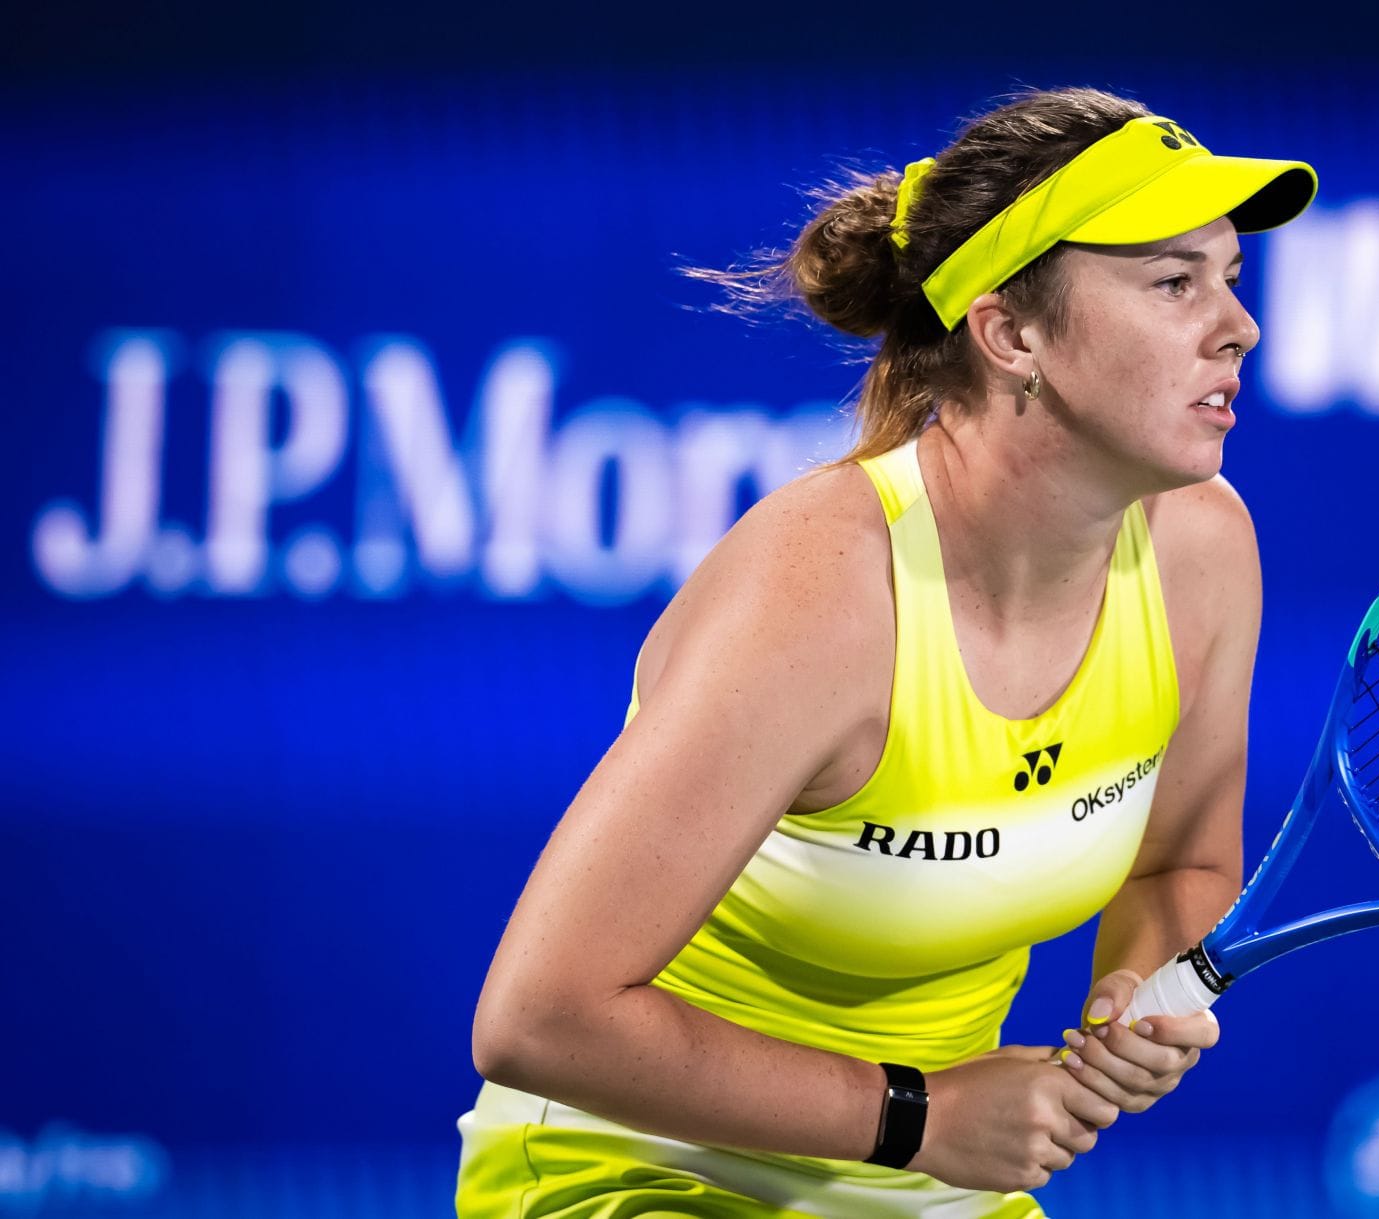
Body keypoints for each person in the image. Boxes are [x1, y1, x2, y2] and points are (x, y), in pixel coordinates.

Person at [455, 85, 1317, 1218]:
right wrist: (918, 1115)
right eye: (1172, 282)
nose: (1237, 325)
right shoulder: (822, 592)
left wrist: (1139, 992)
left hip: (927, 1178)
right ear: (1012, 333)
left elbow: (1180, 865)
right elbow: (539, 1017)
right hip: (639, 1166)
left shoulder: (1205, 552)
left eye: (1230, 279)